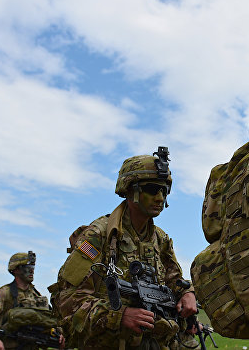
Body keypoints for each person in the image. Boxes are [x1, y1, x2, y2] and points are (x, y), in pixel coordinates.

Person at [49, 147, 198, 349]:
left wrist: (187, 293)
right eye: (152, 189)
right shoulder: (100, 235)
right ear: (130, 189)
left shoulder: (160, 239)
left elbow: (174, 280)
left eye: (164, 190)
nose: (160, 198)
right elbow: (68, 301)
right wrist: (118, 316)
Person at [0, 251, 65, 350]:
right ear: (16, 270)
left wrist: (61, 333)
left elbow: (50, 317)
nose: (32, 271)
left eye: (33, 267)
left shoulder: (36, 296)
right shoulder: (4, 293)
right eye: (28, 267)